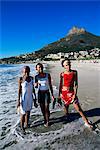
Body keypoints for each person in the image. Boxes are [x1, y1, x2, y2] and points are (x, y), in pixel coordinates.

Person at [58, 58, 93, 128]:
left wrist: (75, 94)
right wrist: (60, 94)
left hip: (71, 93)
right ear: (63, 66)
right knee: (66, 107)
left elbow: (76, 84)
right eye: (66, 65)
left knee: (79, 109)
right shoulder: (62, 74)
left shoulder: (74, 72)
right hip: (64, 93)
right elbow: (61, 84)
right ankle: (67, 117)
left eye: (69, 64)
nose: (68, 66)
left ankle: (86, 122)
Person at [17, 66, 38, 133]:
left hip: (30, 98)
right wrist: (18, 101)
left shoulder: (32, 78)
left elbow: (33, 90)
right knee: (23, 114)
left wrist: (35, 99)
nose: (26, 73)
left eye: (27, 71)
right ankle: (22, 127)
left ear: (29, 71)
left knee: (28, 112)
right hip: (23, 99)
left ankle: (27, 124)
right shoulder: (21, 79)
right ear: (23, 72)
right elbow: (19, 91)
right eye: (25, 71)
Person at [35, 63, 54, 127]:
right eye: (38, 67)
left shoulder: (47, 75)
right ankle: (45, 119)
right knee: (42, 109)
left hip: (46, 93)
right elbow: (36, 86)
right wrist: (36, 85)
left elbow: (50, 85)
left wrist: (52, 94)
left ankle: (47, 121)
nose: (40, 68)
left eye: (41, 67)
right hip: (40, 93)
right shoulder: (36, 77)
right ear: (36, 69)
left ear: (42, 67)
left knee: (46, 108)